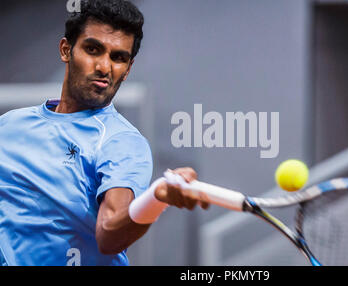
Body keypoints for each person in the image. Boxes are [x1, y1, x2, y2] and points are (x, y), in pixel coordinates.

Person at [0, 0, 207, 266]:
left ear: (128, 69)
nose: (104, 67)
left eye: (118, 57)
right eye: (93, 49)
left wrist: (157, 197)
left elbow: (109, 234)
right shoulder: (9, 126)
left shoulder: (122, 142)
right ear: (66, 50)